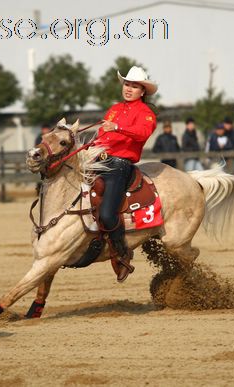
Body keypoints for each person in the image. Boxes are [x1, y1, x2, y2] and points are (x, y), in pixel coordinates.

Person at [95, 65, 158, 282]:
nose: (128, 89)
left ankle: (122, 254)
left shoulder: (147, 114)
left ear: (143, 91)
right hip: (100, 160)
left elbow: (142, 134)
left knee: (106, 214)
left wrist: (118, 128)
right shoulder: (113, 109)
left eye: (134, 86)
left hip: (120, 165)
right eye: (127, 84)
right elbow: (102, 135)